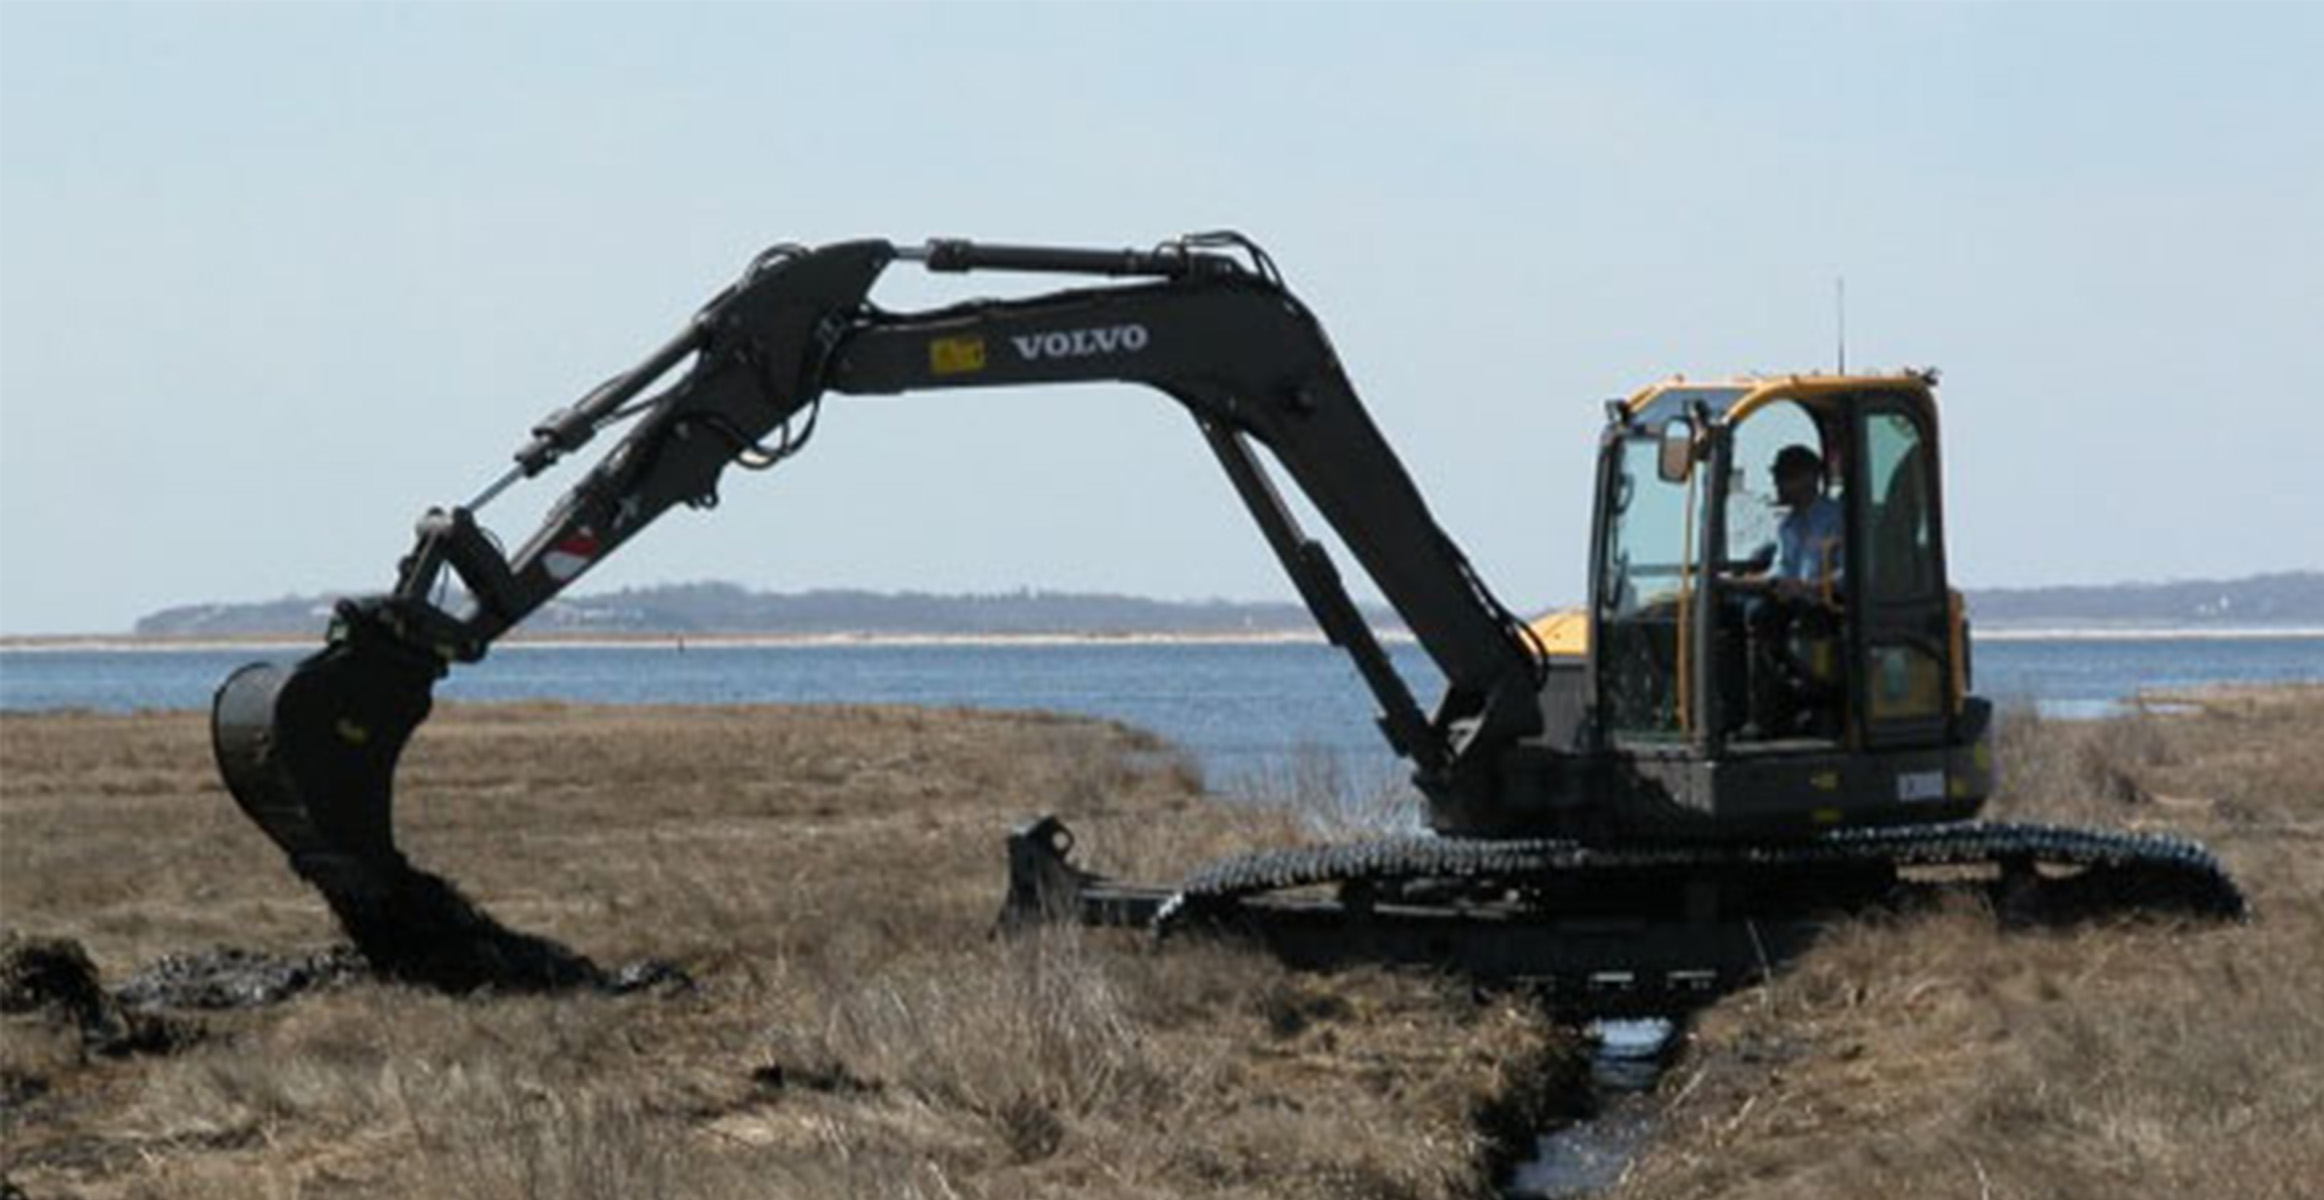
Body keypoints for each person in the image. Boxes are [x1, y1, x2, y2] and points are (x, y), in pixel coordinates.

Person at [1734, 444, 1844, 737]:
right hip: (1794, 600)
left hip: (1829, 605)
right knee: (1732, 609)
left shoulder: (1839, 518)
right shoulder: (1788, 526)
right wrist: (1751, 580)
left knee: (1760, 615)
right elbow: (1783, 569)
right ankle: (1735, 710)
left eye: (1783, 478)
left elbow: (1854, 573)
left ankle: (1767, 717)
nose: (1776, 486)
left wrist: (1811, 586)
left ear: (1808, 478)